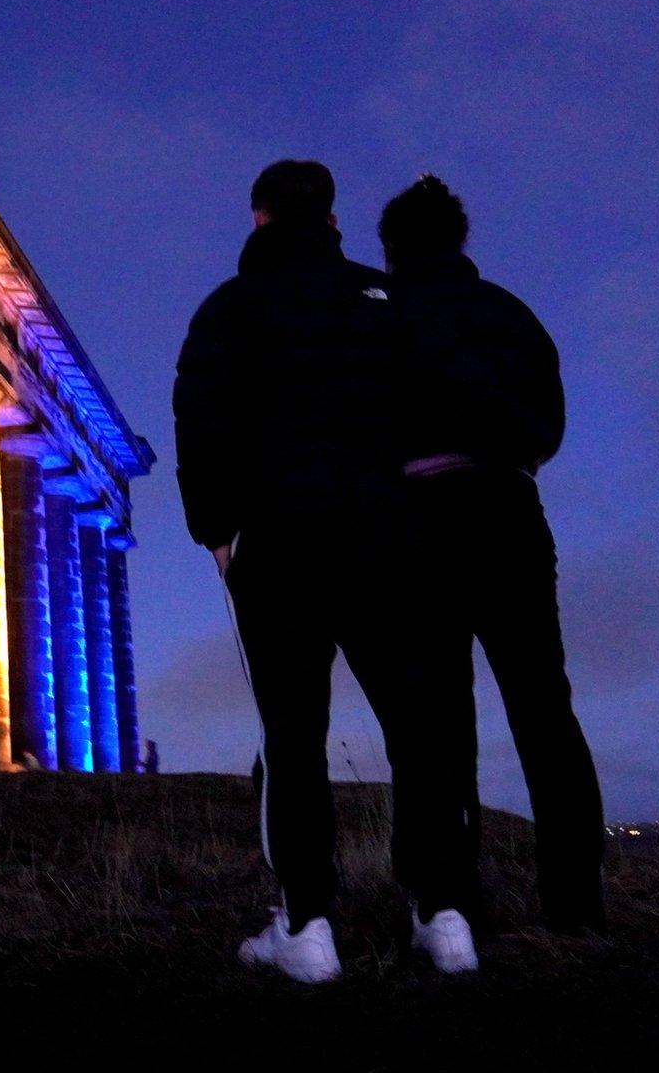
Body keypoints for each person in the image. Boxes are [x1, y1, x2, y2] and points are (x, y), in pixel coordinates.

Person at [173, 159, 433, 984]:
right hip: (386, 535)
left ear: (258, 220)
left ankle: (309, 928)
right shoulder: (387, 299)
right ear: (332, 220)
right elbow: (431, 410)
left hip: (278, 542)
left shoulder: (229, 307)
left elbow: (200, 422)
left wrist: (219, 535)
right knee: (418, 724)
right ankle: (444, 914)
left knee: (292, 736)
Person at [379, 175, 607, 936]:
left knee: (436, 720)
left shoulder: (382, 319)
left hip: (416, 522)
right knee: (545, 709)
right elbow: (548, 428)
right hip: (510, 511)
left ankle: (450, 907)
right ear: (459, 239)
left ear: (393, 248)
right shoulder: (512, 315)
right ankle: (576, 904)